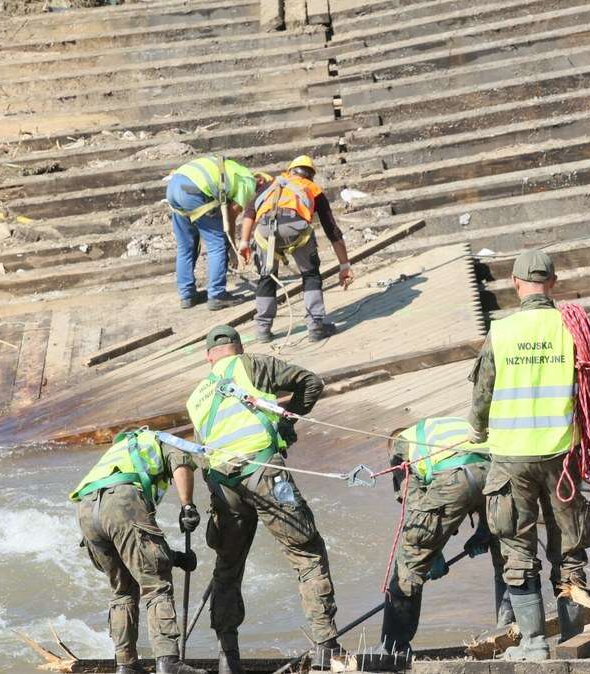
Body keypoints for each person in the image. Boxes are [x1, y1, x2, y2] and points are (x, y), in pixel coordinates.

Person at [468, 249, 590, 661]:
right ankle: (575, 647)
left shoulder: (501, 331)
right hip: (564, 457)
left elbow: (481, 396)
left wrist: (478, 430)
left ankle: (534, 645)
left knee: (517, 551)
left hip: (511, 458)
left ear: (516, 285)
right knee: (569, 553)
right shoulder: (576, 327)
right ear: (552, 284)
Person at [185, 325, 341, 673]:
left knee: (227, 568)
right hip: (263, 470)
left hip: (223, 484)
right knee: (307, 551)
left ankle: (228, 659)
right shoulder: (251, 364)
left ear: (208, 357)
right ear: (238, 347)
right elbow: (311, 382)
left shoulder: (196, 397)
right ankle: (326, 649)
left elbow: (199, 454)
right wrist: (286, 426)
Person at [70, 429, 205, 674]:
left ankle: (126, 665)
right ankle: (168, 662)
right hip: (121, 498)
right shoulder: (157, 440)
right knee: (156, 586)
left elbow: (133, 555)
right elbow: (181, 461)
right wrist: (188, 506)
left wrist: (174, 558)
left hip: (86, 510)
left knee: (122, 592)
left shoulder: (115, 454)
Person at [378, 416, 504, 654]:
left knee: (410, 563)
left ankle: (393, 650)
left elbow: (415, 510)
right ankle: (512, 633)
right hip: (495, 472)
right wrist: (484, 531)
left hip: (454, 477)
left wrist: (431, 555)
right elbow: (478, 472)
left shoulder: (401, 445)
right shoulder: (440, 428)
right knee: (508, 557)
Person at [237, 155, 355, 343]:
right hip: (296, 229)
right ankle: (315, 326)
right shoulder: (312, 188)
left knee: (267, 277)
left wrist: (243, 242)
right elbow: (332, 230)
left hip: (265, 231)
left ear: (290, 170)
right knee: (310, 275)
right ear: (310, 175)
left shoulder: (270, 185)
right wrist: (344, 266)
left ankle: (263, 330)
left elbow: (249, 213)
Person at [167, 156, 256, 311]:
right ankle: (217, 295)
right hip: (193, 190)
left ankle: (187, 295)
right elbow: (230, 216)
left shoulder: (230, 169)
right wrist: (232, 249)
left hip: (174, 186)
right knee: (217, 244)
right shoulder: (248, 182)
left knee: (186, 246)